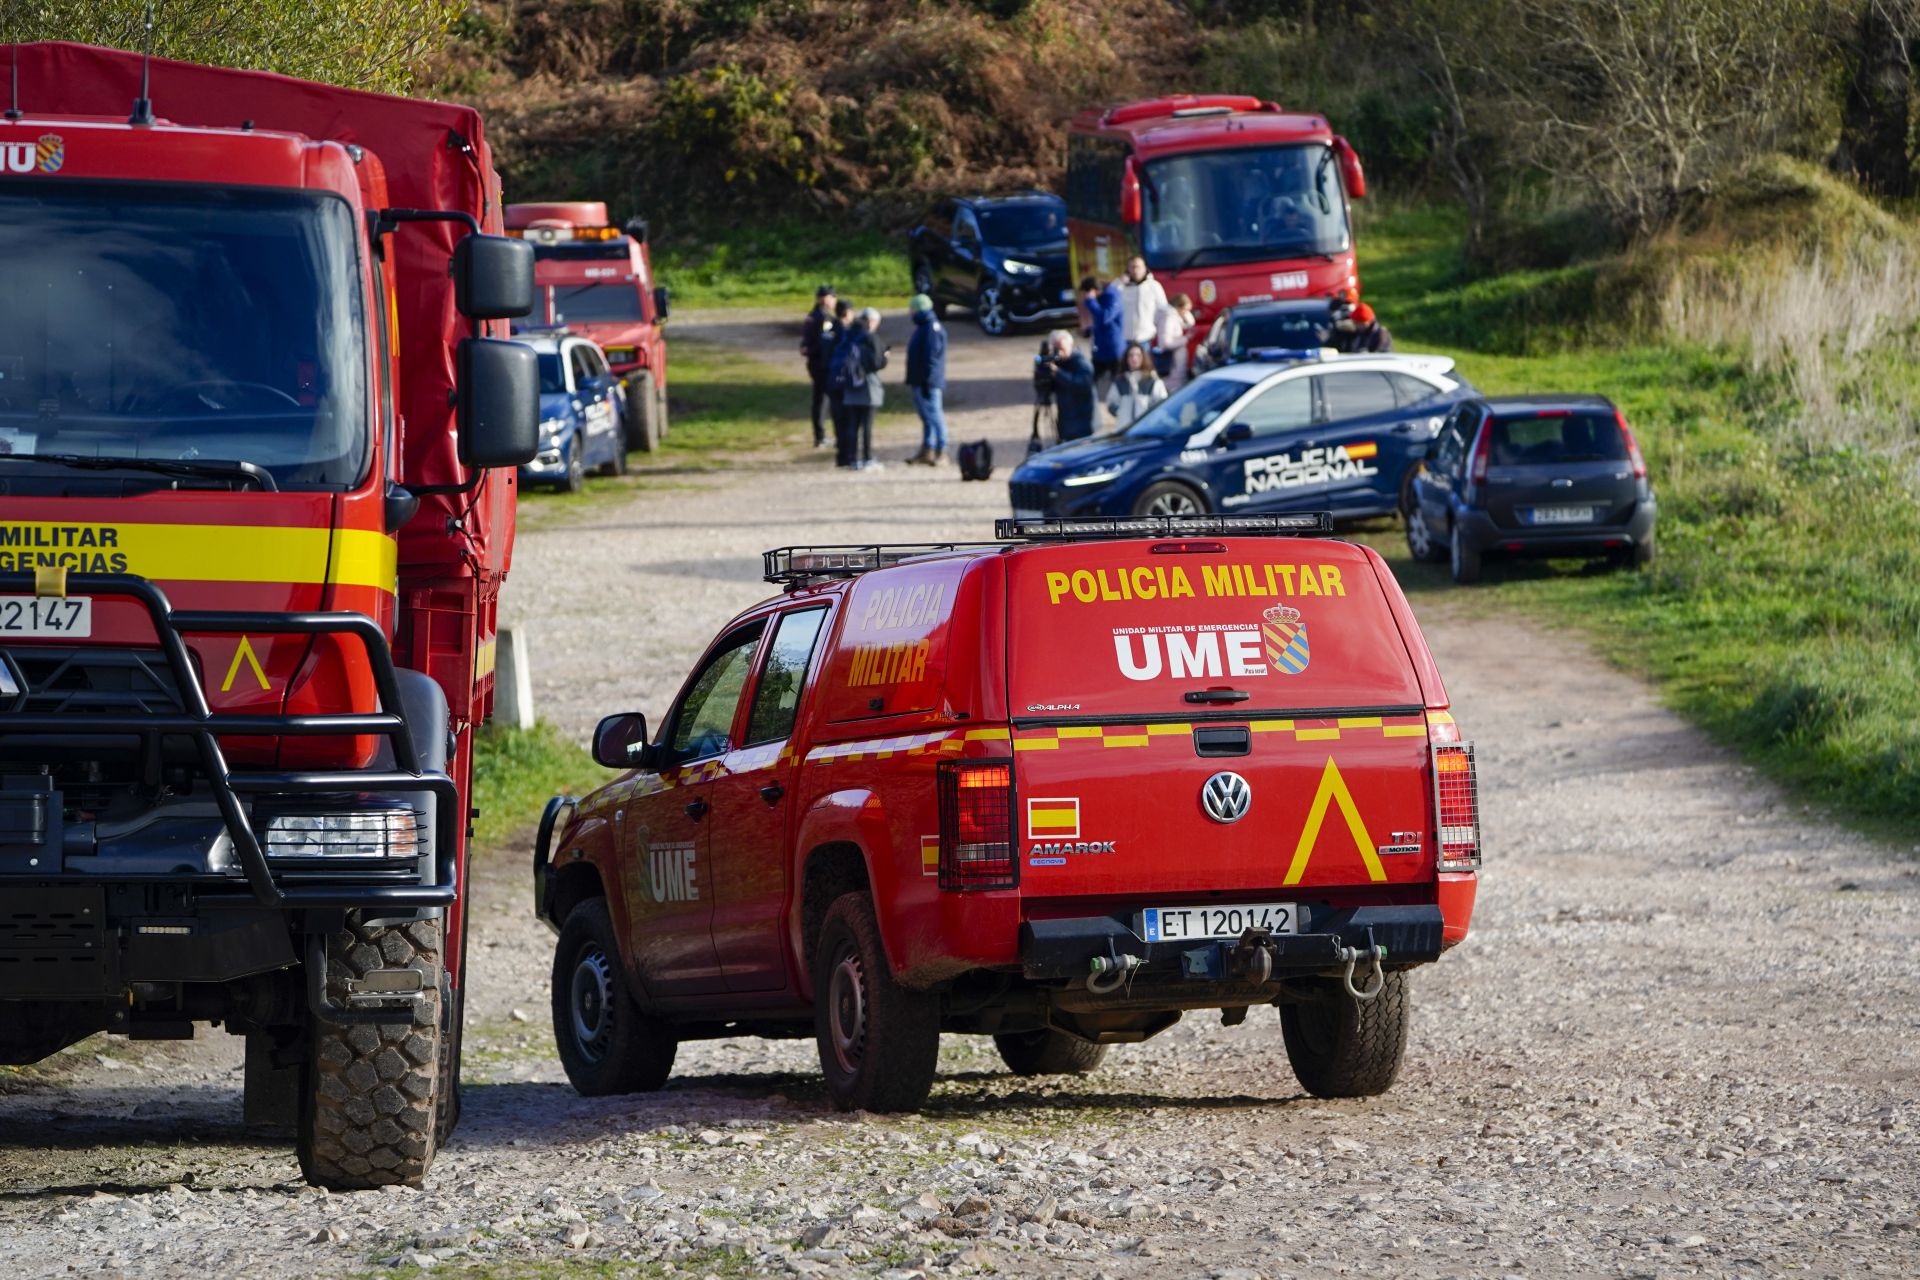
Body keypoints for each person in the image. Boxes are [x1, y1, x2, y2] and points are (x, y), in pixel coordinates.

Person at [837, 306, 889, 470]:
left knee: (853, 425)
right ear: (871, 322)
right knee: (867, 426)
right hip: (868, 387)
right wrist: (885, 358)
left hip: (850, 386)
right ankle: (867, 458)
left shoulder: (848, 335)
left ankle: (852, 458)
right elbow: (876, 363)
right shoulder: (870, 338)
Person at [904, 293, 948, 465]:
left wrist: (927, 382)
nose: (910, 313)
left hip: (927, 382)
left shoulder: (930, 329)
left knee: (935, 416)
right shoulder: (924, 327)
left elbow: (931, 359)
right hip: (921, 380)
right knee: (927, 417)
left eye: (912, 309)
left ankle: (942, 450)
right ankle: (927, 450)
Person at [799, 284, 838, 448]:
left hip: (815, 363)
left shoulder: (813, 315)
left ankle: (820, 435)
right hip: (822, 364)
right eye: (832, 297)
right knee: (824, 400)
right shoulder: (823, 318)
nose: (834, 301)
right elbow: (824, 341)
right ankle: (821, 436)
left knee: (821, 399)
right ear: (825, 299)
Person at [1042, 329, 1097, 442]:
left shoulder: (1082, 363)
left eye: (1062, 348)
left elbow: (1082, 385)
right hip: (1065, 422)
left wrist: (1058, 372)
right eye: (1056, 349)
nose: (1059, 353)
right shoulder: (1059, 362)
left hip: (1082, 424)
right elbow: (1045, 386)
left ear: (1070, 345)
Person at [1079, 275, 1125, 395]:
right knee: (1090, 379)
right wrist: (1090, 330)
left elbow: (1105, 317)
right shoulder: (1098, 299)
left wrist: (1091, 302)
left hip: (1114, 349)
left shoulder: (1112, 296)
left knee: (1117, 382)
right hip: (1100, 349)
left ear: (1093, 290)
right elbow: (1099, 320)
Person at [1106, 341, 1168, 428]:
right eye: (1131, 355)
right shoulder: (1120, 381)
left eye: (1138, 355)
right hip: (1124, 429)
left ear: (1143, 358)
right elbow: (1111, 403)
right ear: (1126, 359)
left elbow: (1162, 403)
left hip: (1146, 429)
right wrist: (1122, 413)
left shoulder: (1152, 380)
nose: (1134, 358)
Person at [1119, 256, 1167, 348]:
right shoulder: (1121, 287)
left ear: (1145, 268)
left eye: (1138, 267)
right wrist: (1119, 282)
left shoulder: (1154, 286)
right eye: (1132, 267)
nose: (1135, 270)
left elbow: (1163, 311)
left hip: (1147, 338)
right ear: (1128, 269)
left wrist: (1159, 332)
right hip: (1125, 339)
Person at [1153, 292, 1196, 391]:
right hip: (1172, 365)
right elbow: (1165, 343)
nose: (1186, 313)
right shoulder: (1168, 318)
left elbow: (1191, 323)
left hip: (1176, 364)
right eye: (1185, 310)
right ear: (1179, 307)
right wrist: (1186, 339)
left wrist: (1186, 313)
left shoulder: (1174, 316)